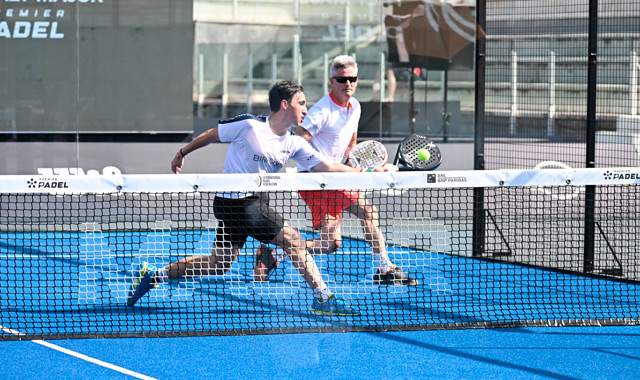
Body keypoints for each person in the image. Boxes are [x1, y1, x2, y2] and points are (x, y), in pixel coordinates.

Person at [127, 80, 387, 316]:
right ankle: (322, 298)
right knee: (293, 240)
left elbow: (327, 167)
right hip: (236, 202)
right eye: (301, 103)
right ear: (284, 105)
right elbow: (212, 134)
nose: (306, 109)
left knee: (219, 264)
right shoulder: (249, 125)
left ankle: (154, 275)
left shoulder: (293, 143)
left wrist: (364, 172)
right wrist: (182, 152)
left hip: (251, 203)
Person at [253, 56, 418, 286]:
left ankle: (273, 255)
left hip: (334, 178)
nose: (347, 83)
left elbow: (351, 143)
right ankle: (385, 269)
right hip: (315, 179)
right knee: (368, 211)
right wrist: (320, 165)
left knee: (329, 244)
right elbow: (299, 138)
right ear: (333, 81)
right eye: (342, 79)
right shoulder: (322, 111)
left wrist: (350, 167)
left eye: (352, 79)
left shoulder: (356, 107)